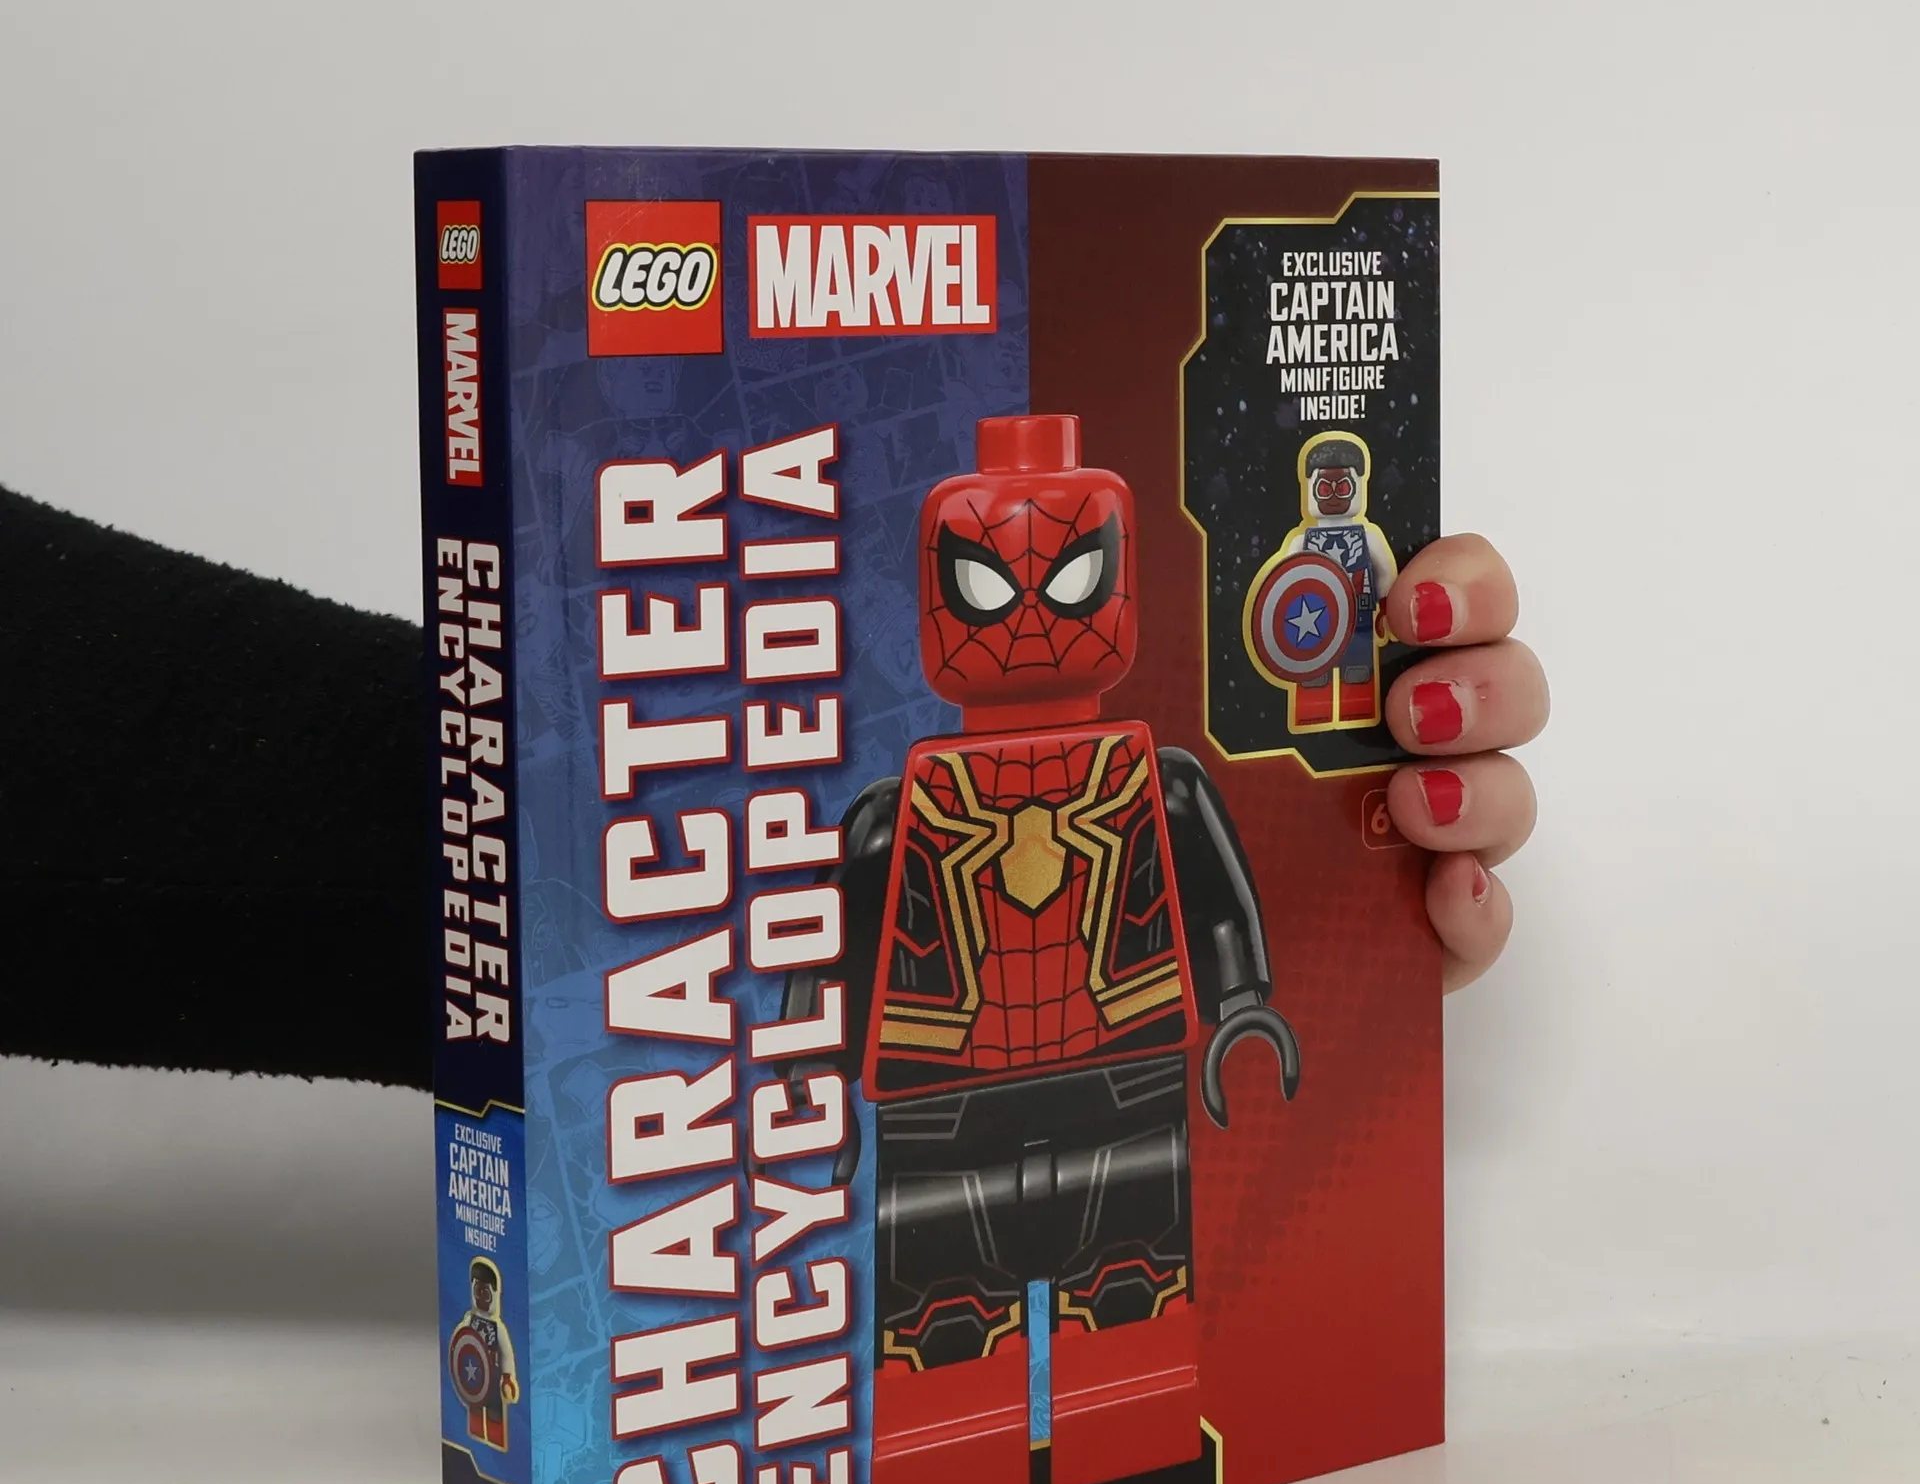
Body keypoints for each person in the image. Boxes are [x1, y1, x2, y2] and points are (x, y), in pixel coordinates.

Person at [0, 488, 1545, 1083]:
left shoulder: (1138, 775)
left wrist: (1326, 886)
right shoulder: (902, 812)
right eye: (994, 585)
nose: (1028, 617)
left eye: (1068, 579)